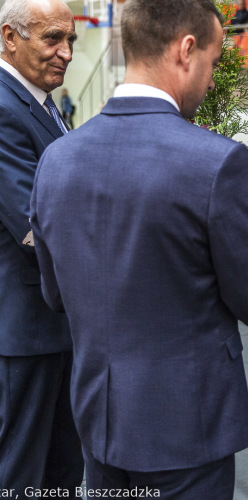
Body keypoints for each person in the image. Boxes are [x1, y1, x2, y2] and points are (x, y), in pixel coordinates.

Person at [30, 0, 248, 497]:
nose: (212, 81)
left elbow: (55, 293)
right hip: (185, 430)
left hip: (97, 419)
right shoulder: (216, 162)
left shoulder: (56, 160)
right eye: (212, 63)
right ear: (186, 50)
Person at [0, 0, 83, 497]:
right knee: (20, 473)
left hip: (53, 325)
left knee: (59, 468)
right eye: (53, 38)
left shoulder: (38, 103)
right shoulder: (4, 107)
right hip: (27, 328)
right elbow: (36, 228)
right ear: (10, 37)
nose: (67, 52)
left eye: (70, 39)